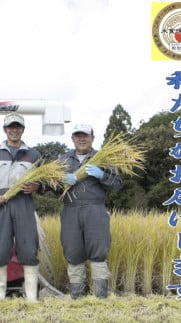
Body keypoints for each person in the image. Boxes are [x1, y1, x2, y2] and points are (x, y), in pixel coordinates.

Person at [0, 112, 42, 302]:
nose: (14, 130)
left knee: (29, 249)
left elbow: (45, 181)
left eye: (18, 127)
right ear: (5, 129)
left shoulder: (34, 155)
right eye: (10, 127)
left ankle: (31, 299)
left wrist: (37, 187)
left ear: (23, 129)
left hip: (24, 204)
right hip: (0, 206)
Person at [58, 123, 122, 299]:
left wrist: (102, 175)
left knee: (99, 251)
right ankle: (76, 298)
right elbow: (49, 186)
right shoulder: (62, 161)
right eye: (78, 135)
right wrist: (59, 180)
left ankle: (100, 298)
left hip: (96, 209)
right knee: (72, 251)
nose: (81, 139)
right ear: (72, 139)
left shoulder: (103, 158)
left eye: (85, 135)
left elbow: (117, 184)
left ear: (92, 138)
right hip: (70, 210)